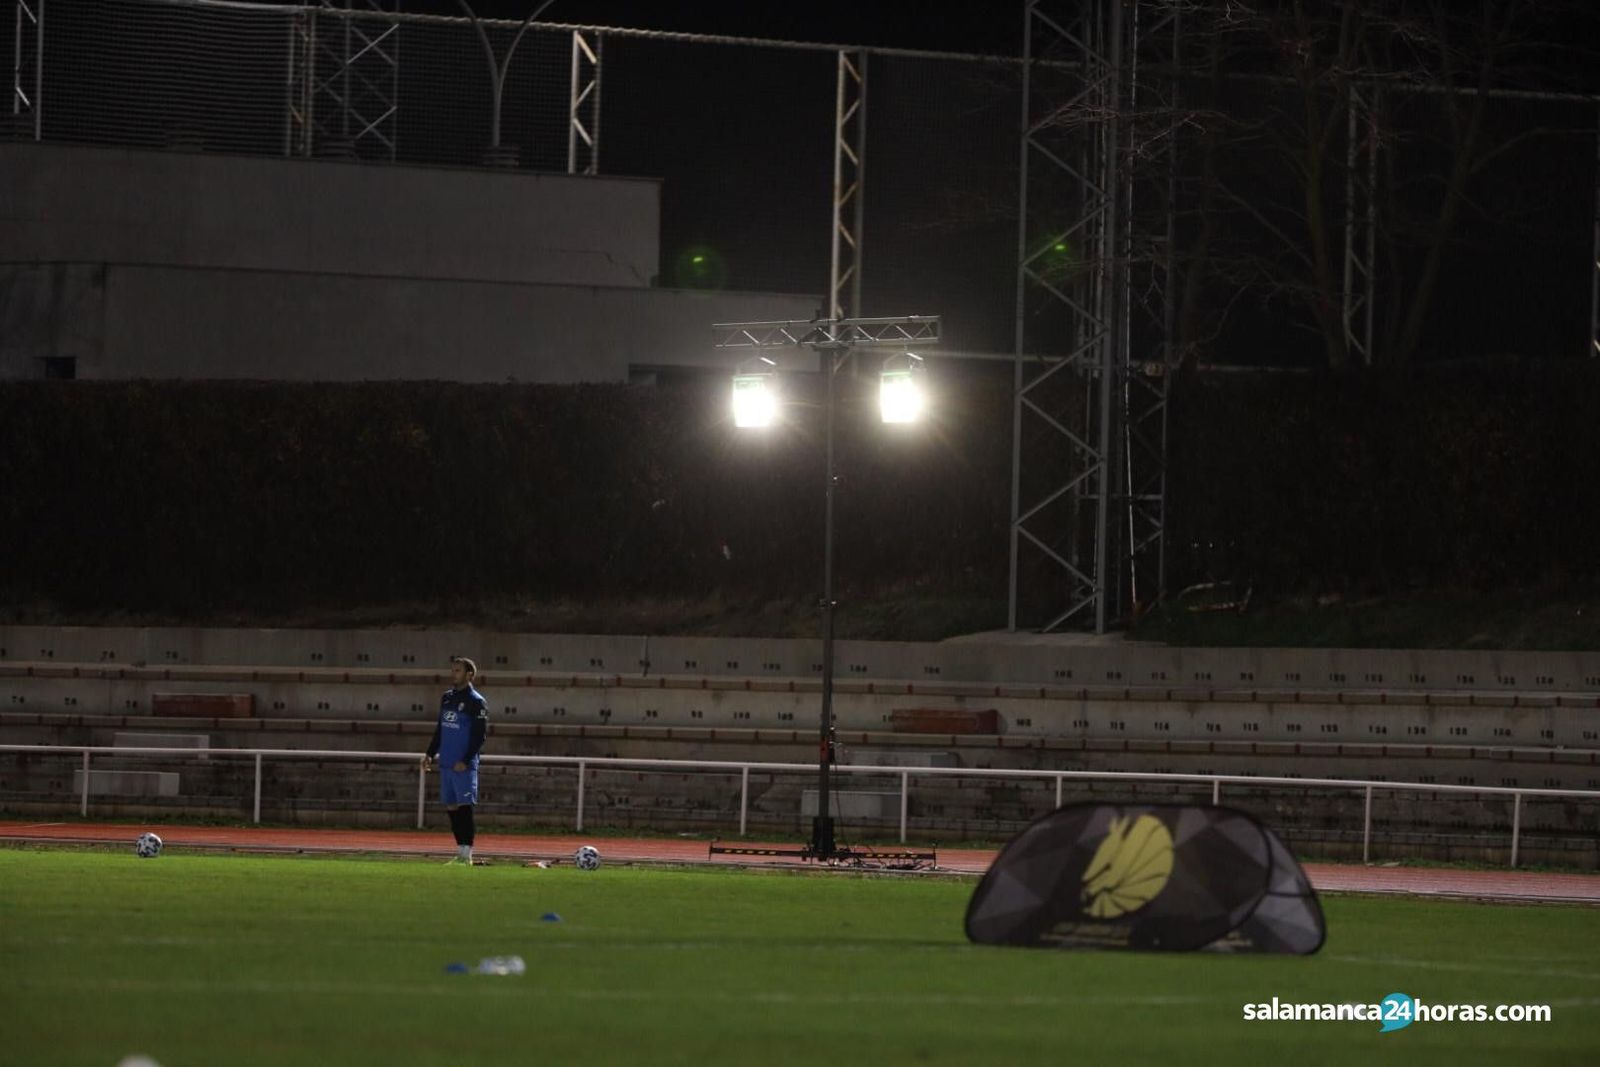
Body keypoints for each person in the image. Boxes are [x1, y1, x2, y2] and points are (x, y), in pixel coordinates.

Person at [423, 656, 489, 865]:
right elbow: (440, 729)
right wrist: (430, 753)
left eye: (458, 670)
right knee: (451, 807)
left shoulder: (476, 701)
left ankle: (467, 854)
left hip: (463, 765)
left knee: (464, 805)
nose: (454, 674)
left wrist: (466, 759)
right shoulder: (447, 697)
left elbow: (480, 736)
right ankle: (459, 849)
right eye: (453, 670)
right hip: (446, 763)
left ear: (469, 674)